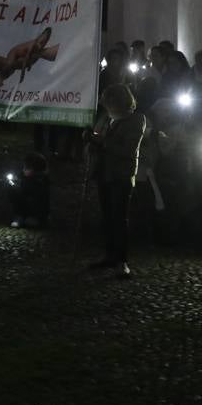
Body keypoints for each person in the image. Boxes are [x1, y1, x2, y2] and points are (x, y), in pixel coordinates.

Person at [87, 84, 147, 278]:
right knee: (107, 216)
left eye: (110, 103)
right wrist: (90, 140)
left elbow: (128, 150)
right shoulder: (106, 118)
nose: (107, 107)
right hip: (104, 172)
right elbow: (98, 138)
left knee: (119, 218)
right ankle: (109, 254)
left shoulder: (136, 120)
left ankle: (122, 260)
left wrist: (100, 142)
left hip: (121, 174)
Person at [9, 152, 52, 228]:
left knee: (32, 215)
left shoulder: (41, 181)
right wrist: (13, 186)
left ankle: (36, 219)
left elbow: (40, 199)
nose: (24, 170)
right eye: (24, 168)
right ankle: (20, 217)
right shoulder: (23, 178)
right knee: (19, 204)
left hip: (37, 209)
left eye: (27, 168)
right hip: (23, 206)